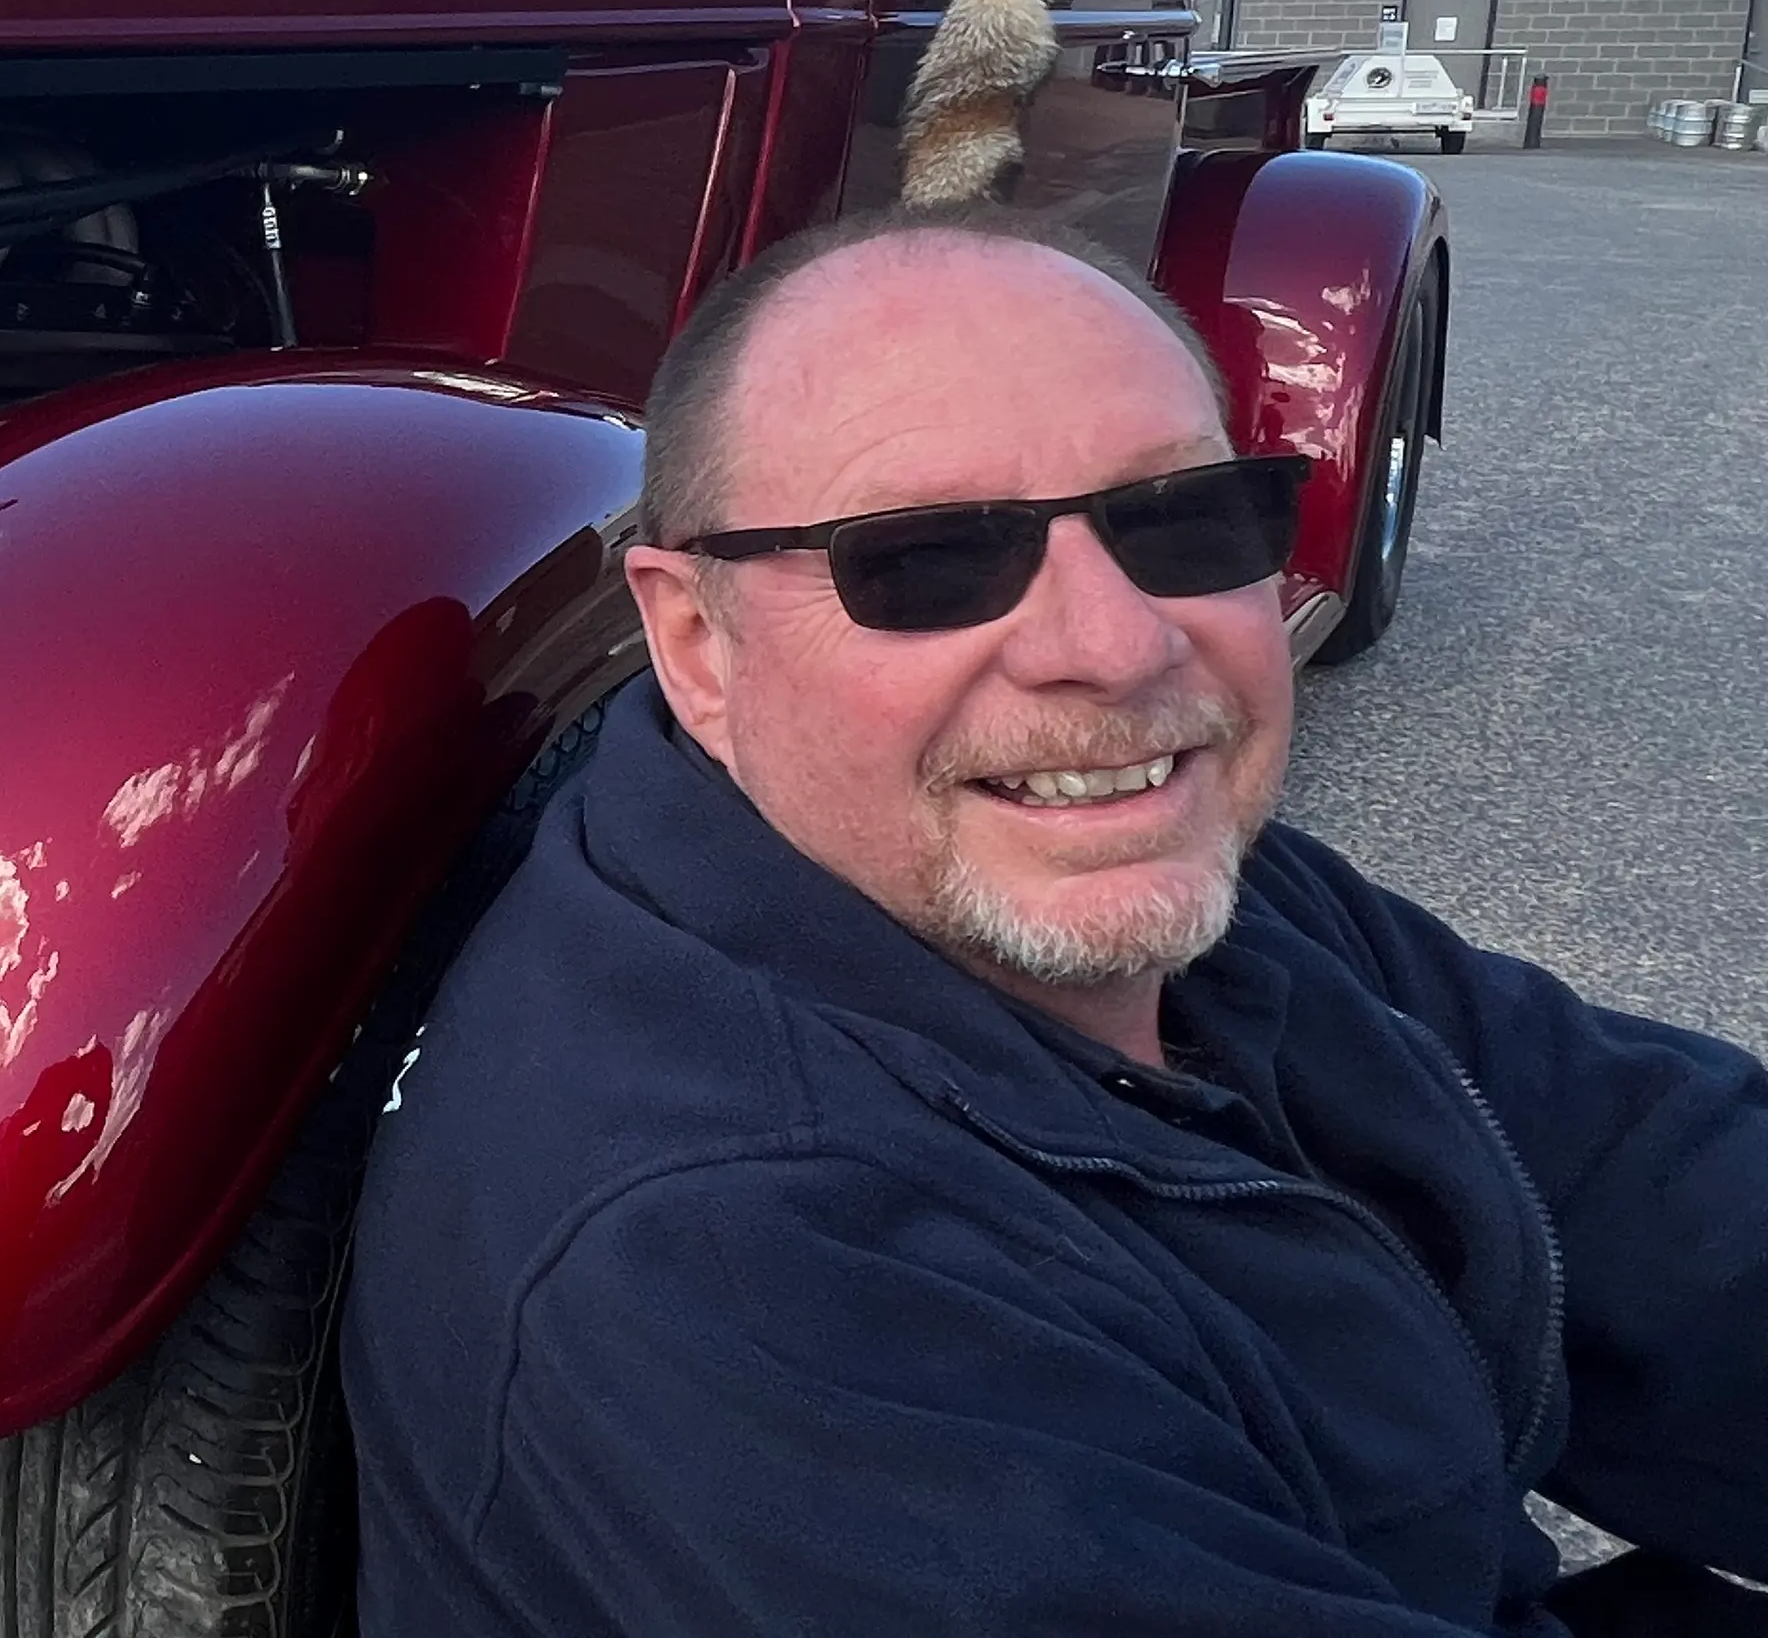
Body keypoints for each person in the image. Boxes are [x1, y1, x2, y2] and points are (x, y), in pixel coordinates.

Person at [346, 204, 1768, 1636]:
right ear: (699, 646)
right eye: (925, 559)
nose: (1116, 646)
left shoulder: (1174, 886)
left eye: (1184, 521)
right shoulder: (746, 1277)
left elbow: (1667, 1185)